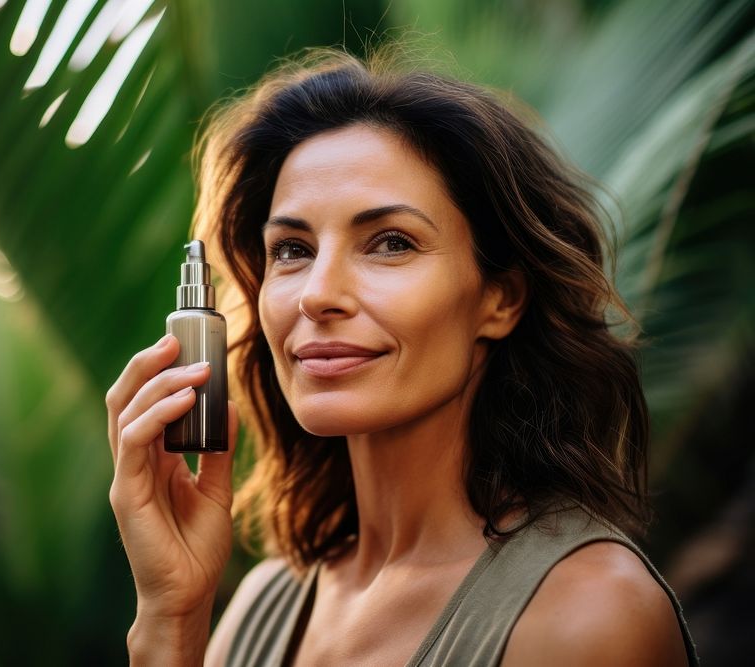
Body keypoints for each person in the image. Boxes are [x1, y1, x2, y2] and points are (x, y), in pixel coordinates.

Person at [105, 47, 698, 666]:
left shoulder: (588, 616)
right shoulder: (262, 605)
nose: (317, 295)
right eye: (291, 249)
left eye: (390, 243)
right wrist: (171, 617)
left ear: (501, 298)